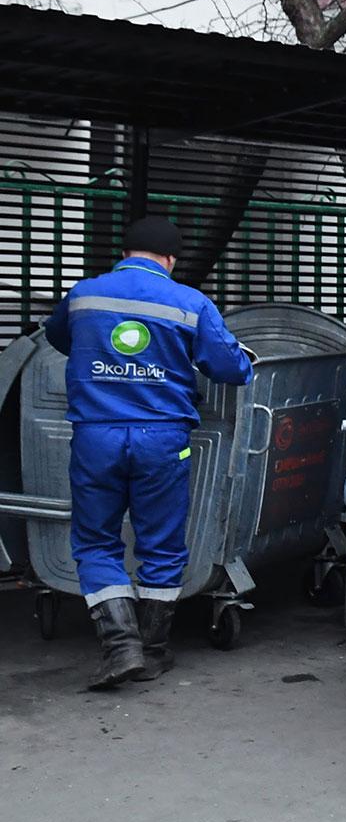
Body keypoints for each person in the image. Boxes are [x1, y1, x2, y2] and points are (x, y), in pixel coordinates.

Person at [43, 216, 254, 690]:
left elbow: (59, 339)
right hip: (162, 439)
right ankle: (154, 650)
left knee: (96, 541)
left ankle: (121, 648)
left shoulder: (84, 295)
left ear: (125, 251)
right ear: (171, 259)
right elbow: (230, 368)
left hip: (96, 435)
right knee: (161, 541)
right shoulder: (189, 302)